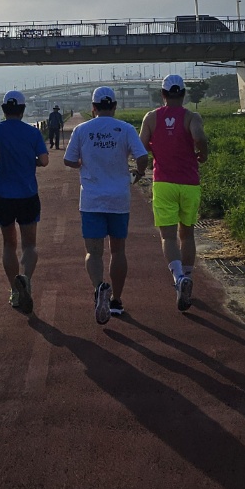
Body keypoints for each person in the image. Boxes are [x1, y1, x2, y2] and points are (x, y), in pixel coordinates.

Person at [63, 86, 148, 324]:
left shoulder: (82, 129)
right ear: (115, 106)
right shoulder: (126, 129)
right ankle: (116, 301)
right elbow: (142, 157)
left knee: (93, 252)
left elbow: (68, 160)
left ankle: (99, 287)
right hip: (119, 198)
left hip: (91, 200)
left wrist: (83, 163)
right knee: (118, 251)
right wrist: (139, 173)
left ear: (93, 108)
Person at [139, 73, 209, 312]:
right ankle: (187, 276)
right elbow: (199, 137)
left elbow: (141, 146)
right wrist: (203, 154)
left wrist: (151, 156)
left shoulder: (151, 117)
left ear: (163, 94)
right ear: (184, 94)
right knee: (187, 234)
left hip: (164, 183)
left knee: (168, 236)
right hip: (189, 183)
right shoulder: (192, 117)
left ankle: (178, 278)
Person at [0, 90, 49, 314]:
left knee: (8, 245)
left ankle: (14, 289)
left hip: (3, 195)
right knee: (29, 245)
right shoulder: (32, 133)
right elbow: (44, 160)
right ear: (23, 110)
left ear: (4, 110)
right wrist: (30, 160)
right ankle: (26, 279)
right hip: (27, 194)